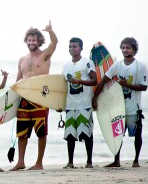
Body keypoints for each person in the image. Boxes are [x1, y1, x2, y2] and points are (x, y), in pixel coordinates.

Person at [92, 37, 148, 167]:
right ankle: (116, 161)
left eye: (128, 48)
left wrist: (126, 85)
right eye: (123, 47)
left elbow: (144, 87)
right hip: (119, 108)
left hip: (134, 108)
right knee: (117, 135)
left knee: (137, 135)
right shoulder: (117, 66)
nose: (125, 50)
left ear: (134, 50)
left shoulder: (140, 67)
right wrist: (95, 98)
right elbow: (103, 81)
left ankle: (136, 161)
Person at [10, 21, 58, 171]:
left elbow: (55, 42)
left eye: (34, 40)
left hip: (40, 97)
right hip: (24, 99)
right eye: (29, 40)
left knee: (41, 131)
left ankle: (39, 163)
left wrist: (50, 31)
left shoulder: (45, 56)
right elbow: (18, 80)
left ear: (39, 41)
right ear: (26, 41)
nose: (31, 42)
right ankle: (21, 161)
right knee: (22, 133)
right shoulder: (22, 60)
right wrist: (11, 99)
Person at [61, 37, 97, 169]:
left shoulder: (87, 62)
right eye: (70, 46)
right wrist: (59, 105)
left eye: (74, 46)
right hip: (70, 105)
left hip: (85, 104)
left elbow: (95, 81)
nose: (72, 49)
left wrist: (79, 82)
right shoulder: (66, 66)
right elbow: (62, 87)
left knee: (87, 134)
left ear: (81, 48)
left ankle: (89, 162)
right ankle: (70, 162)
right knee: (70, 135)